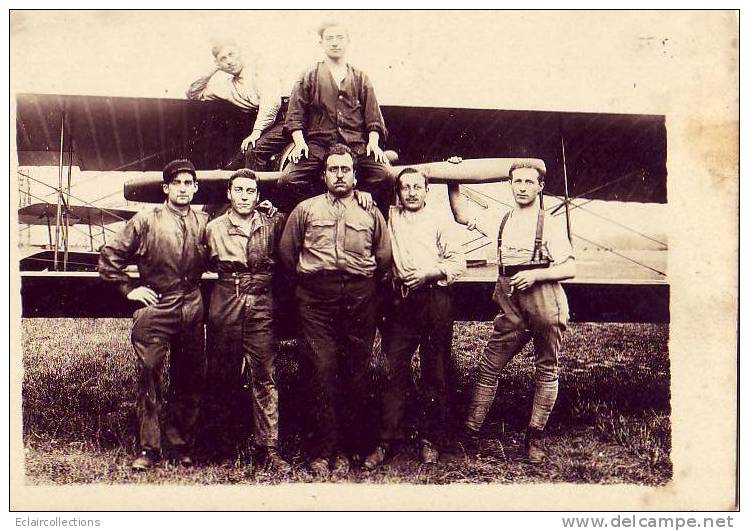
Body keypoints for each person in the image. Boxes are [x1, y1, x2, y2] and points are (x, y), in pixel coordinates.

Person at [446, 160, 575, 463]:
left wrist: (536, 275)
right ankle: (470, 432)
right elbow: (461, 214)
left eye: (529, 182)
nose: (522, 187)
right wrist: (453, 177)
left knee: (546, 366)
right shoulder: (502, 220)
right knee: (489, 365)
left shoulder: (550, 223)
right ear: (510, 184)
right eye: (517, 182)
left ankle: (535, 437)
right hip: (510, 297)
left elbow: (570, 266)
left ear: (540, 187)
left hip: (544, 296)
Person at [278, 143, 391, 479]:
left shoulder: (371, 212)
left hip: (359, 296)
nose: (339, 175)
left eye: (345, 169)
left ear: (356, 176)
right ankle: (321, 450)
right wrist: (310, 286)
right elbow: (287, 255)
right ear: (324, 175)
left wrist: (364, 287)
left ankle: (349, 447)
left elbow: (383, 257)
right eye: (333, 170)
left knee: (356, 371)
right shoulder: (305, 210)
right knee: (320, 370)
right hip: (316, 299)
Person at [99, 159, 208, 470]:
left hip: (191, 306)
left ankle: (180, 445)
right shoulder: (145, 220)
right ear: (166, 188)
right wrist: (129, 289)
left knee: (189, 379)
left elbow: (225, 248)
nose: (183, 189)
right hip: (157, 307)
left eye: (189, 183)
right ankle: (149, 449)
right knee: (150, 377)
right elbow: (110, 256)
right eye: (177, 183)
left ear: (196, 188)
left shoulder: (203, 223)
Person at [362, 168, 466, 471]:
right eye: (405, 187)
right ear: (398, 192)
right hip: (400, 302)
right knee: (394, 371)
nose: (411, 193)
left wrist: (428, 273)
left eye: (417, 187)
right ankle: (387, 439)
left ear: (427, 190)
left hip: (434, 299)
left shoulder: (440, 221)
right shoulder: (389, 216)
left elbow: (457, 263)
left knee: (434, 371)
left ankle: (430, 439)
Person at [204, 169, 291, 473]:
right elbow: (195, 263)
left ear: (258, 195)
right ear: (229, 194)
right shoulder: (213, 228)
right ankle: (220, 445)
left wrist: (276, 212)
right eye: (238, 190)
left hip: (261, 302)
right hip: (226, 297)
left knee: (264, 375)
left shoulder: (271, 224)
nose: (244, 196)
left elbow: (290, 248)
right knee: (221, 372)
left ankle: (268, 447)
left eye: (250, 191)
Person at [280, 20, 393, 215]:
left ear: (348, 41)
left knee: (386, 175)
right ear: (321, 43)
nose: (335, 42)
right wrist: (300, 143)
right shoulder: (309, 75)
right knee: (288, 179)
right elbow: (295, 116)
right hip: (318, 146)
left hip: (356, 146)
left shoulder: (361, 77)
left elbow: (373, 118)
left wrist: (373, 143)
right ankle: (313, 214)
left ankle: (370, 217)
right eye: (329, 38)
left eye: (340, 37)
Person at [187, 40, 287, 171]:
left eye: (231, 54)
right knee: (231, 168)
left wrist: (256, 132)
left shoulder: (259, 70)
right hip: (266, 127)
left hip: (288, 120)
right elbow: (194, 93)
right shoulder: (228, 87)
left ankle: (257, 191)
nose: (229, 61)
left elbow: (272, 103)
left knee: (254, 150)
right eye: (223, 59)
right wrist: (214, 68)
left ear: (241, 53)